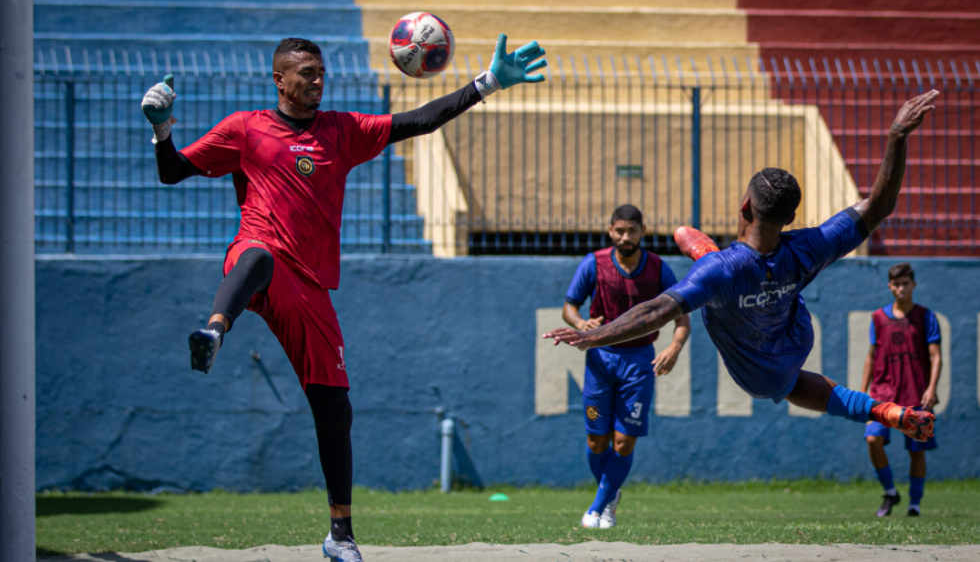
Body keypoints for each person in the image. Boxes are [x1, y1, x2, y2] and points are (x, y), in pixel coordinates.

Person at [141, 35, 547, 562]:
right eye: (305, 72)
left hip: (311, 287)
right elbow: (172, 171)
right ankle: (215, 329)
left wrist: (487, 82)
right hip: (258, 260)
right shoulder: (245, 128)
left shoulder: (341, 130)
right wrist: (161, 128)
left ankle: (340, 535)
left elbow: (418, 120)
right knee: (259, 255)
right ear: (279, 80)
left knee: (335, 409)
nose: (316, 80)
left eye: (321, 72)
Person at [544, 91, 940, 453]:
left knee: (714, 282)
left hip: (756, 366)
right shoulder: (809, 243)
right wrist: (897, 136)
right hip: (793, 334)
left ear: (745, 203)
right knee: (784, 356)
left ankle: (706, 258)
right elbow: (878, 207)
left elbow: (654, 312)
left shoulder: (722, 271)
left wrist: (594, 336)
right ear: (790, 217)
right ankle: (884, 411)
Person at [563, 205, 691, 529]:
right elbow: (569, 307)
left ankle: (597, 508)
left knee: (623, 442)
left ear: (642, 232)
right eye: (619, 231)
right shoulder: (594, 264)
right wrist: (581, 323)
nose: (625, 237)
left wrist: (674, 347)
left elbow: (683, 320)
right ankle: (610, 496)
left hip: (638, 362)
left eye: (631, 231)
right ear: (610, 232)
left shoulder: (659, 270)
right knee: (597, 441)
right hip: (600, 359)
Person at [861, 262, 941, 517]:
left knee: (916, 451)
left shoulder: (926, 317)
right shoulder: (878, 318)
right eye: (896, 284)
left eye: (906, 283)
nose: (901, 288)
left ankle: (915, 503)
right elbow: (871, 357)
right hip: (882, 395)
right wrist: (863, 393)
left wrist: (931, 388)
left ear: (913, 285)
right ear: (890, 287)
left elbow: (936, 356)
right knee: (873, 440)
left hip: (915, 394)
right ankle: (890, 492)